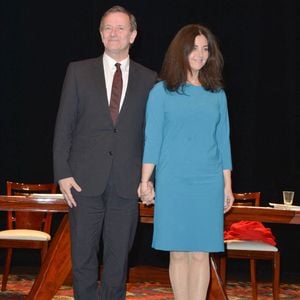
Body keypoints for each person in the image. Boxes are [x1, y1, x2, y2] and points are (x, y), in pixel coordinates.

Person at [53, 5, 157, 300]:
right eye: (108, 28)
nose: (114, 33)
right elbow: (64, 127)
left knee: (117, 261)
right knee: (83, 257)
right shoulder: (78, 71)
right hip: (83, 182)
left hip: (127, 184)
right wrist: (63, 173)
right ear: (100, 34)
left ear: (133, 35)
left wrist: (149, 179)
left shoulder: (150, 79)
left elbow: (153, 135)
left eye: (120, 28)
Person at [138, 24, 234, 300]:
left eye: (205, 49)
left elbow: (223, 141)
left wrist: (227, 186)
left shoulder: (217, 94)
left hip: (208, 182)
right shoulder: (161, 92)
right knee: (178, 253)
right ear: (181, 51)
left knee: (201, 253)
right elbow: (152, 139)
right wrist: (146, 181)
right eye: (194, 48)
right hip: (173, 182)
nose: (200, 54)